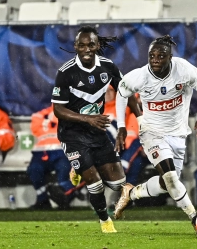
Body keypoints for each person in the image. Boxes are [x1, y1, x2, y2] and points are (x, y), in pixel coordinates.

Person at [114, 35, 197, 233]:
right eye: (152, 55)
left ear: (170, 57)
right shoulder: (140, 76)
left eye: (161, 55)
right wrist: (121, 126)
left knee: (168, 183)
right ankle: (196, 219)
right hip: (152, 133)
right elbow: (121, 92)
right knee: (170, 178)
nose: (156, 59)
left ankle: (132, 193)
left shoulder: (184, 69)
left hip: (178, 135)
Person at [51, 25, 141, 233]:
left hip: (96, 132)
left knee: (118, 183)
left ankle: (79, 167)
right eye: (81, 45)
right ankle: (105, 221)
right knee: (95, 183)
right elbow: (58, 109)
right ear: (75, 47)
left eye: (91, 44)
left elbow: (126, 93)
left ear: (97, 45)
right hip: (72, 133)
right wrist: (87, 118)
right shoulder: (66, 73)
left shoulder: (108, 67)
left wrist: (140, 119)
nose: (86, 49)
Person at [27, 104, 76, 210]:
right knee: (34, 170)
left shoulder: (73, 112)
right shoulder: (41, 114)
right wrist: (52, 118)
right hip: (42, 152)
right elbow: (35, 127)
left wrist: (52, 119)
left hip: (63, 152)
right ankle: (42, 200)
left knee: (64, 176)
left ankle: (65, 200)